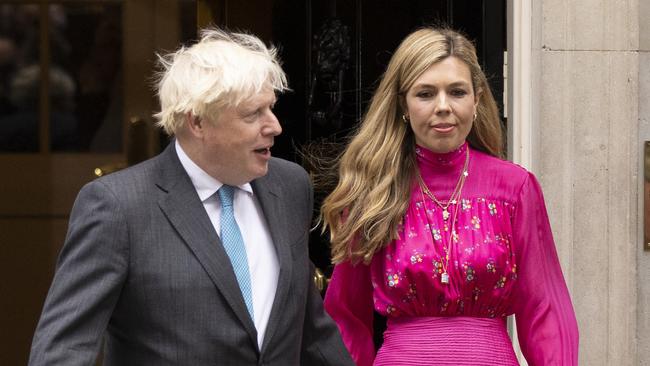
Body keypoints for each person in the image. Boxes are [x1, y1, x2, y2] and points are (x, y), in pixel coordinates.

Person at [29, 27, 354, 366]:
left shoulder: (289, 185)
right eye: (253, 114)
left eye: (270, 108)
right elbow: (63, 349)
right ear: (197, 123)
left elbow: (312, 331)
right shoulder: (118, 206)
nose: (274, 126)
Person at [321, 27, 579, 365]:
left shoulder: (514, 189)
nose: (443, 106)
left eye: (457, 92)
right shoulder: (372, 194)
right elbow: (345, 318)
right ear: (403, 104)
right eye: (425, 94)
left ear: (477, 100)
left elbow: (544, 309)